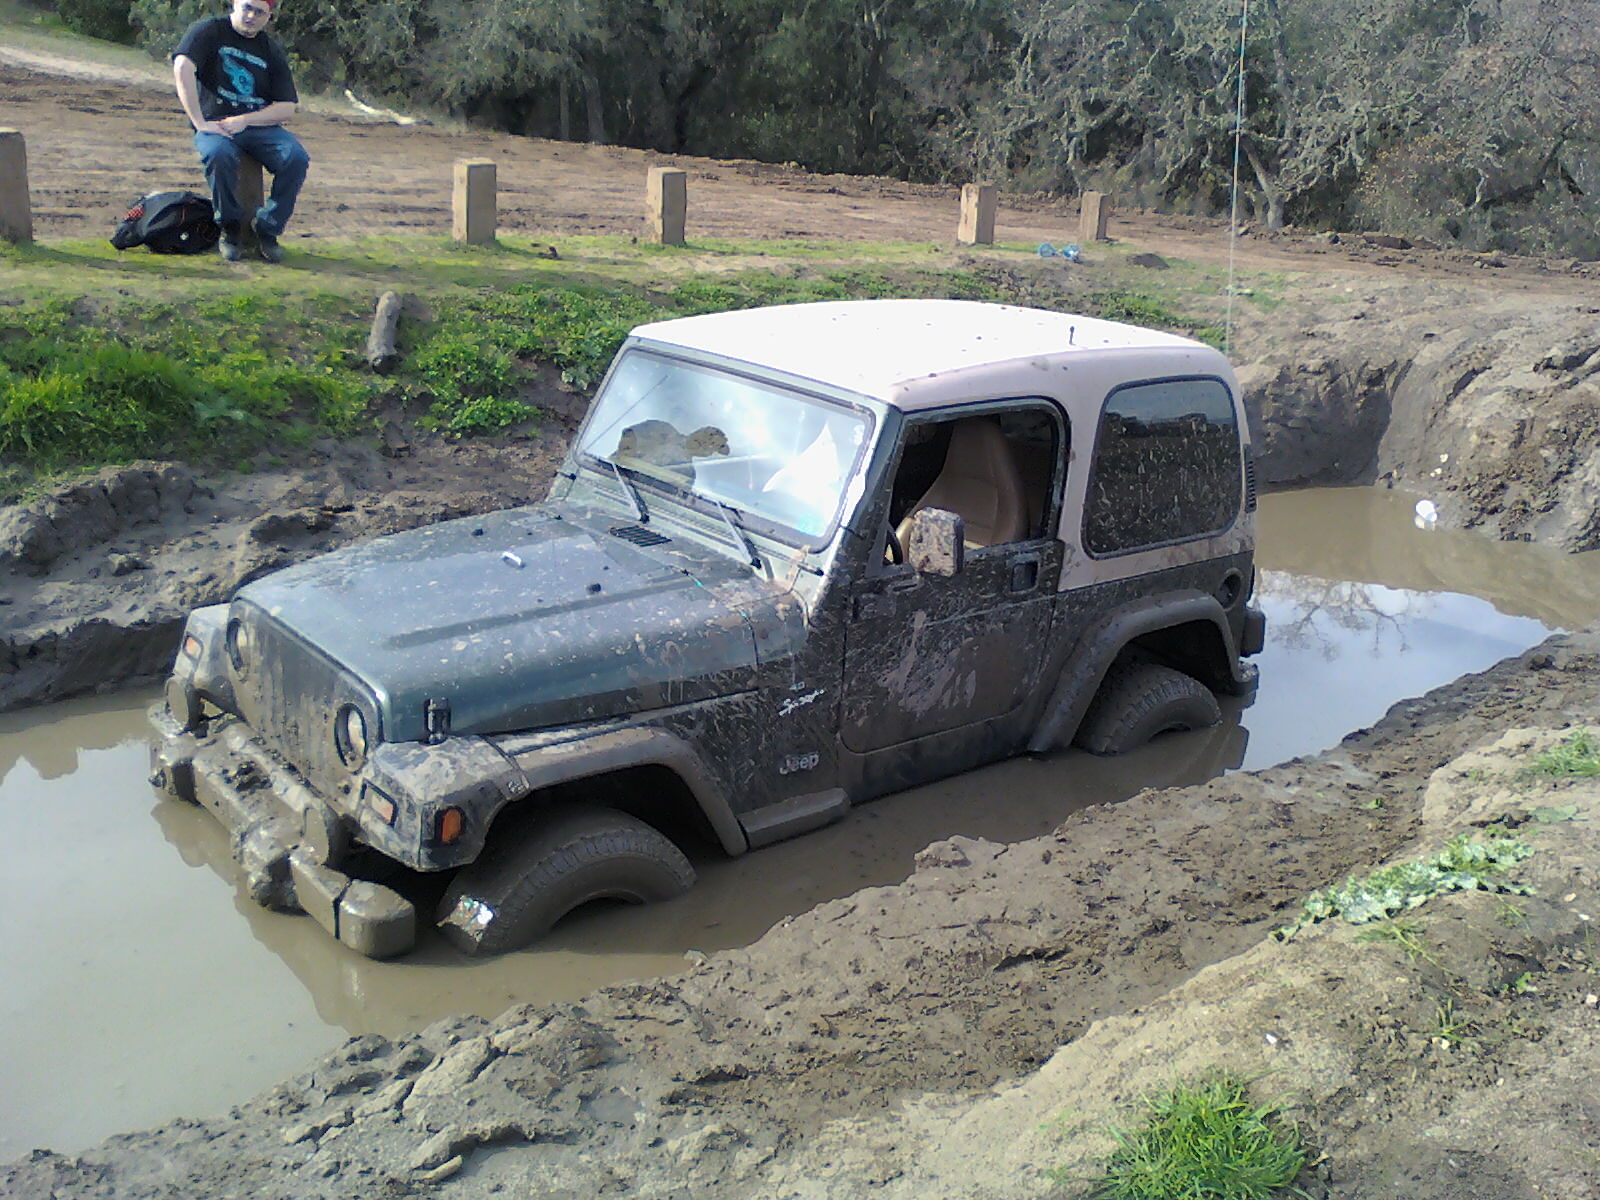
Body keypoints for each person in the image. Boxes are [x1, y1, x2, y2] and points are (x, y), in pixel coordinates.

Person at [172, 0, 309, 263]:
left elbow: (287, 107)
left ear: (269, 16)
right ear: (235, 4)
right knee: (218, 155)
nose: (251, 16)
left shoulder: (270, 49)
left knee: (296, 158)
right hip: (215, 124)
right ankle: (230, 228)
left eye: (260, 12)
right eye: (247, 7)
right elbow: (182, 67)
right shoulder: (210, 31)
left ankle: (267, 228)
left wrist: (245, 120)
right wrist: (199, 122)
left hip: (256, 126)